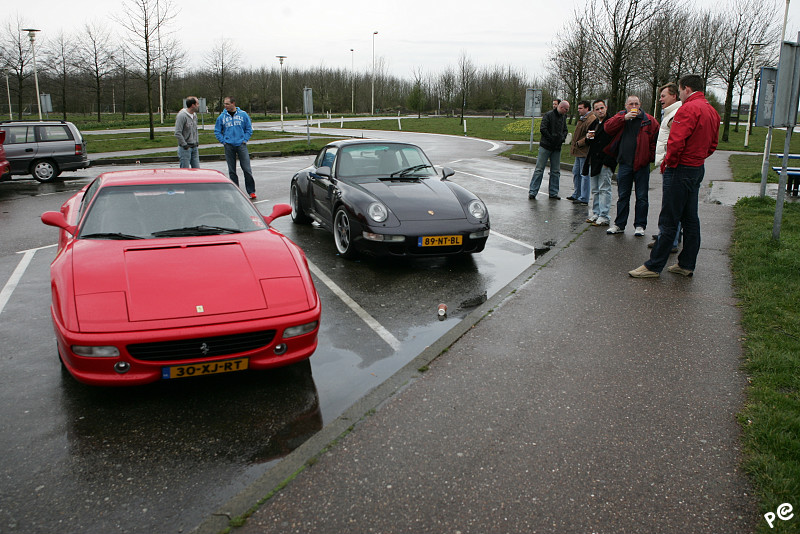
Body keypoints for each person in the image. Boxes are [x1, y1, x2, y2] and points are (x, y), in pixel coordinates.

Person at [629, 75, 720, 278]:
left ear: (686, 88)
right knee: (690, 219)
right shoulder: (711, 111)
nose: (679, 95)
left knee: (669, 219)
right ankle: (686, 263)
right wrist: (697, 157)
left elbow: (676, 141)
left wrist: (670, 161)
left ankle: (653, 266)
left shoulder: (687, 108)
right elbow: (713, 144)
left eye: (679, 91)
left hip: (679, 168)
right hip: (696, 168)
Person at [602, 95, 659, 236]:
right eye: (631, 103)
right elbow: (607, 128)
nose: (634, 106)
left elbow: (656, 140)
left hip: (642, 165)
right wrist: (624, 118)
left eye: (636, 103)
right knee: (623, 196)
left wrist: (649, 157)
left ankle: (640, 225)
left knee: (642, 197)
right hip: (625, 163)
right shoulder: (621, 117)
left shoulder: (649, 121)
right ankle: (619, 224)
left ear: (640, 105)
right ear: (626, 105)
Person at [649, 83, 683, 252]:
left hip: (671, 164)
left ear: (674, 96)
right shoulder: (669, 113)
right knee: (669, 204)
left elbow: (675, 142)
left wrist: (667, 160)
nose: (660, 99)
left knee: (671, 205)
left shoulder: (677, 113)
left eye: (663, 96)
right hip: (667, 163)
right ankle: (666, 236)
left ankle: (670, 241)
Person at [215, 96, 257, 199]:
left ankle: (251, 191)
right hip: (229, 145)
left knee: (247, 169)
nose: (225, 106)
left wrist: (245, 139)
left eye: (227, 104)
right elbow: (217, 131)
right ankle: (236, 191)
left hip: (241, 145)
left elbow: (249, 128)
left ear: (233, 103)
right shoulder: (222, 117)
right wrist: (223, 141)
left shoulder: (243, 115)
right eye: (224, 104)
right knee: (232, 170)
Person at [582, 99, 616, 226]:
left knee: (604, 188)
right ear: (593, 111)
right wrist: (588, 138)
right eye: (597, 109)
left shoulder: (611, 123)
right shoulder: (594, 123)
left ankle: (604, 215)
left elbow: (613, 142)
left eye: (602, 108)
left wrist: (609, 160)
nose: (600, 111)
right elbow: (591, 142)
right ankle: (596, 213)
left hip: (605, 160)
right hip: (594, 160)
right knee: (595, 189)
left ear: (606, 108)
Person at [528, 100, 570, 200]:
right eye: (566, 110)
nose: (566, 112)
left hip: (557, 147)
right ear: (561, 107)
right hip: (546, 146)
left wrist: (562, 138)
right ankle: (533, 191)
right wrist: (551, 138)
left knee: (555, 171)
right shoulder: (548, 115)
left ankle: (553, 192)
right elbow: (543, 128)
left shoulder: (563, 117)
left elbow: (565, 130)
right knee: (539, 169)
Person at [568, 100, 595, 205]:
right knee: (576, 173)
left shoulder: (591, 120)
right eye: (578, 108)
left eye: (581, 108)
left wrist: (580, 143)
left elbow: (591, 135)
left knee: (584, 175)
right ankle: (577, 194)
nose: (578, 110)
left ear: (587, 108)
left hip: (584, 152)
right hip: (578, 152)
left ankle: (584, 197)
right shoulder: (583, 119)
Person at [175, 96, 200, 169]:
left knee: (197, 170)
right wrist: (185, 145)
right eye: (197, 104)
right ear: (193, 105)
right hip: (185, 149)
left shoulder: (194, 115)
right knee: (185, 170)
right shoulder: (182, 116)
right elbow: (177, 132)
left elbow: (195, 130)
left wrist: (196, 141)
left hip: (194, 147)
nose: (198, 105)